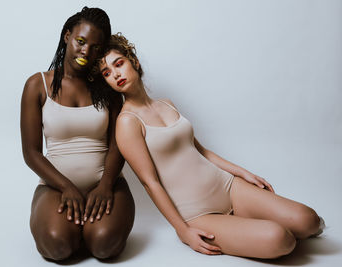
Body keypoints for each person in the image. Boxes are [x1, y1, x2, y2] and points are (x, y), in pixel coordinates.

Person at [95, 33, 324, 259]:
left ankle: (247, 221)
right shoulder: (127, 123)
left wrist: (243, 173)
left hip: (226, 187)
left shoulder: (167, 104)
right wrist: (183, 231)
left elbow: (200, 151)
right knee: (281, 240)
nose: (116, 74)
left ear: (133, 61)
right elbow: (150, 182)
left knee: (309, 221)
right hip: (198, 212)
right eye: (107, 73)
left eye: (119, 64)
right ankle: (245, 228)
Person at [20, 8, 135, 261]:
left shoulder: (107, 87)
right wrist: (67, 187)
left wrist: (105, 185)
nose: (86, 51)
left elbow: (118, 143)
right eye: (80, 42)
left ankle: (89, 230)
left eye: (96, 47)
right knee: (57, 246)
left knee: (105, 246)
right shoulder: (37, 85)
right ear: (67, 36)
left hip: (106, 185)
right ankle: (72, 229)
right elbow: (31, 153)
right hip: (56, 187)